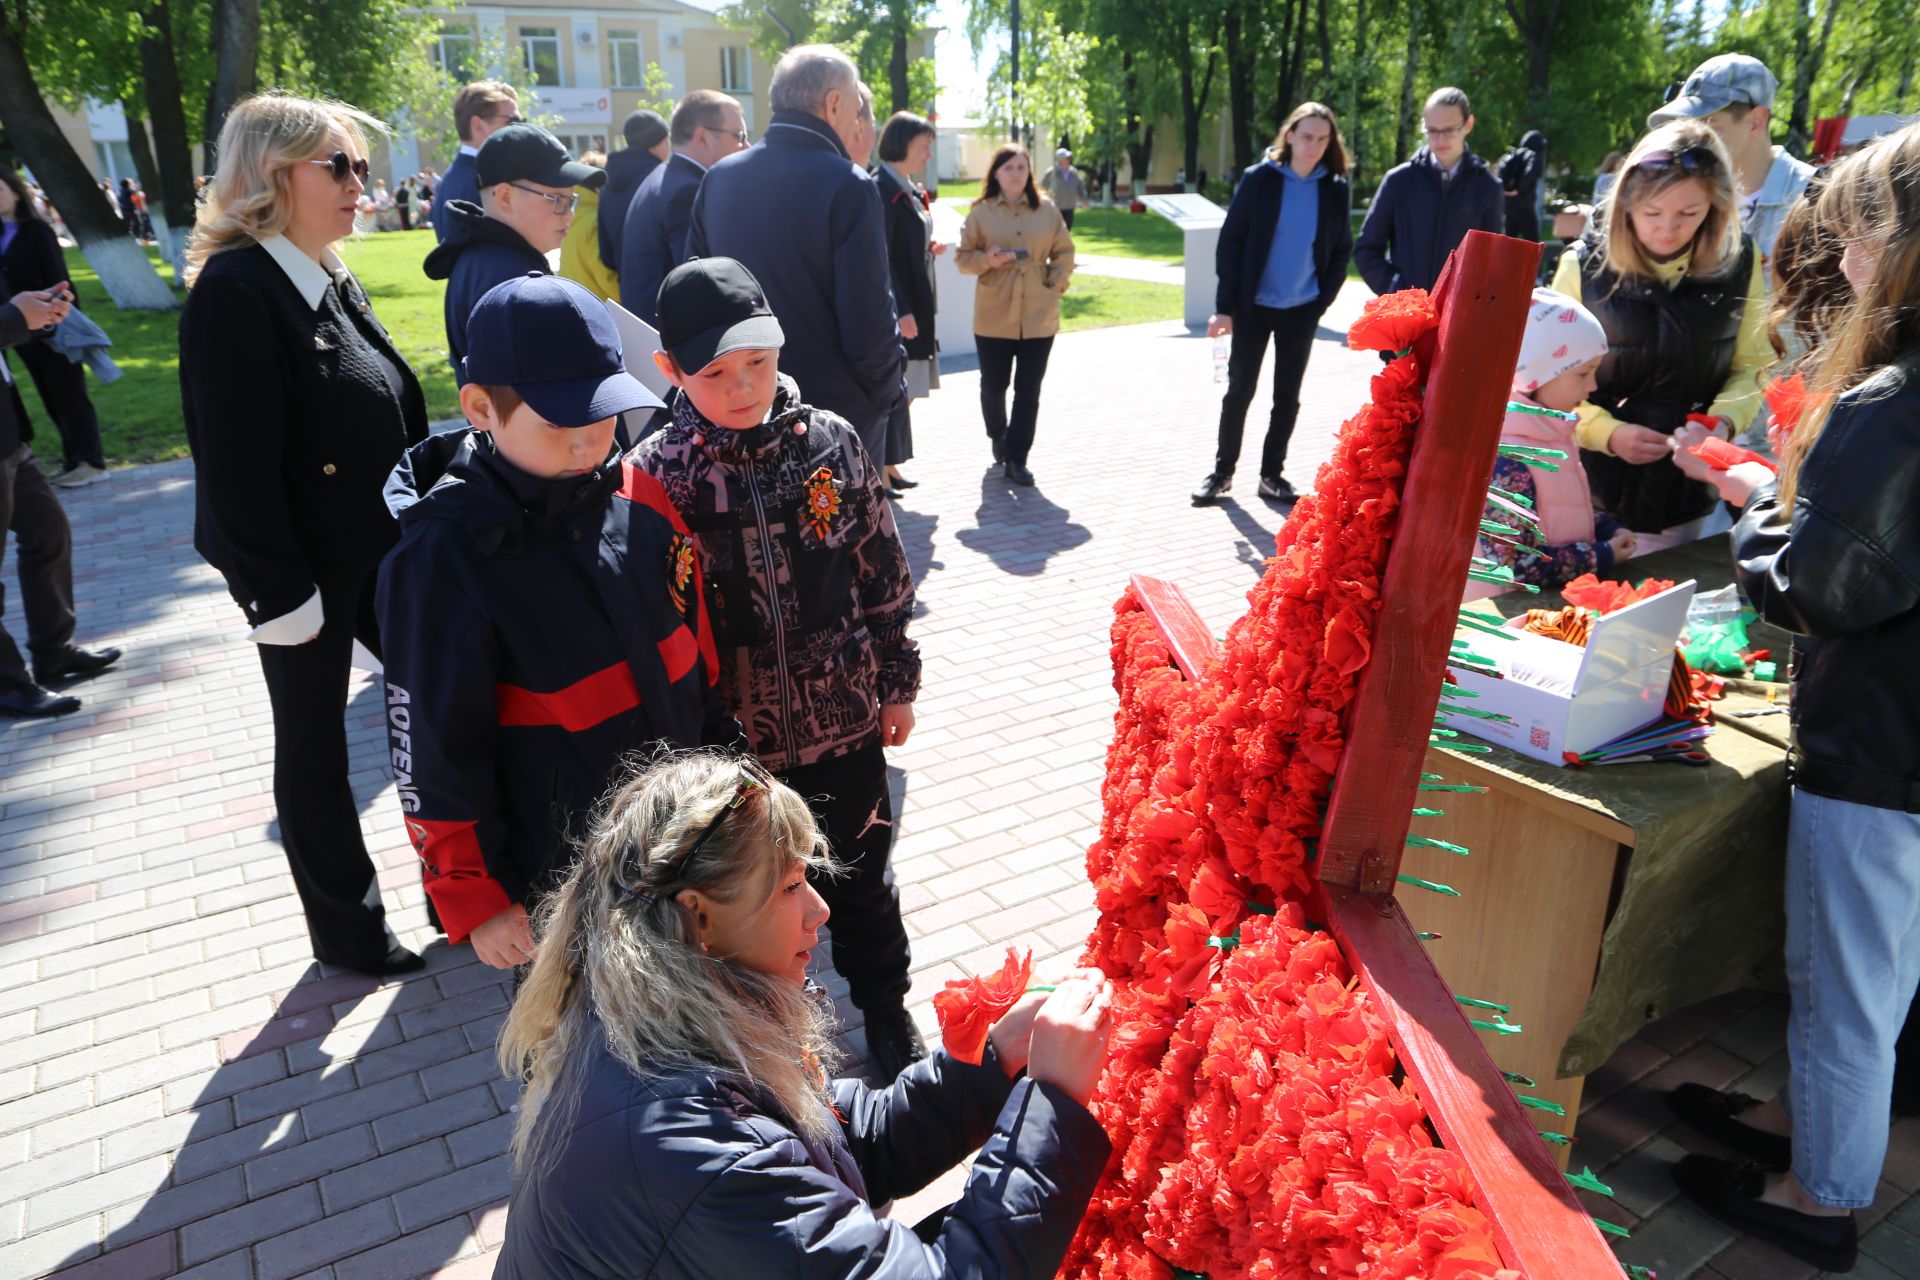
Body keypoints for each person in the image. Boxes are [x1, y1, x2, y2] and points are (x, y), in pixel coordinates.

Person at [491, 750, 1115, 1279]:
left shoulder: (657, 1018)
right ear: (698, 916)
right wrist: (1052, 1103)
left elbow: (836, 1141)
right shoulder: (694, 1144)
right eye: (790, 887)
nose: (819, 910)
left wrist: (990, 1067)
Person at [1668, 122, 1920, 1275]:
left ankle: (1821, 1194)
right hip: (1898, 737)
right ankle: (1817, 1126)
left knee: (1846, 986)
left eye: (1866, 229)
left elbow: (1820, 585)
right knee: (1858, 978)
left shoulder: (1895, 397)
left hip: (1884, 744)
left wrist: (1764, 498)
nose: (1849, 252)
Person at [375, 273, 742, 969]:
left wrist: (728, 758)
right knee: (587, 1056)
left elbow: (695, 644)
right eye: (559, 425)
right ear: (481, 408)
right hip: (565, 878)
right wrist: (475, 895)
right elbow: (431, 743)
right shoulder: (441, 559)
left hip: (684, 834)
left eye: (603, 417)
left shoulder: (637, 489)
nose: (589, 445)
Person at [632, 257, 927, 1079]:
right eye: (717, 373)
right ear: (672, 370)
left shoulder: (831, 444)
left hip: (844, 721)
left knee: (863, 879)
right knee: (747, 908)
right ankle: (762, 1042)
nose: (742, 387)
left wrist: (895, 682)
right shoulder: (658, 474)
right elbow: (657, 620)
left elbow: (881, 570)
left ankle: (885, 1008)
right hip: (734, 751)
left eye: (757, 362)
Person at [180, 93, 430, 977]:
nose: (360, 184)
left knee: (438, 710)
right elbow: (234, 469)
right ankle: (350, 931)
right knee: (317, 748)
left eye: (361, 166)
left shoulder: (320, 270)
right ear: (272, 174)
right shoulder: (239, 294)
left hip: (379, 555)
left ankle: (462, 884)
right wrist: (279, 595)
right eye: (339, 166)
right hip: (306, 573)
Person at [1550, 119, 1769, 551]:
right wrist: (1606, 433)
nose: (1668, 229)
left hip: (1691, 505)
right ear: (1625, 205)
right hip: (1587, 498)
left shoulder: (1741, 262)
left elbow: (1754, 365)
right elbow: (1541, 383)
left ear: (1716, 209)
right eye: (1652, 213)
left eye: (1689, 214)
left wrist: (1721, 424)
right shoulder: (1582, 265)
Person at [687, 44, 905, 468]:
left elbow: (694, 300)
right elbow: (869, 321)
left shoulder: (718, 180)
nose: (859, 120)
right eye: (858, 107)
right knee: (843, 535)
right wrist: (886, 396)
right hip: (836, 421)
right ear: (834, 103)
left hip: (743, 412)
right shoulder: (849, 185)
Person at [1194, 102, 1354, 507]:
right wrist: (1224, 306)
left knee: (1287, 397)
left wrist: (1322, 301)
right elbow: (1231, 244)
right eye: (1306, 136)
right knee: (1239, 391)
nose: (1313, 146)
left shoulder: (1334, 188)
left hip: (1302, 309)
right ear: (1290, 135)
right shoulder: (1259, 180)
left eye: (1322, 139)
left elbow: (1340, 251)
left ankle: (1271, 476)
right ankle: (1222, 473)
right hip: (1252, 307)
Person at [0, 268, 120, 718]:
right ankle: (8, 685)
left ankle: (54, 651)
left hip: (10, 436)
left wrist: (36, 314)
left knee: (49, 533)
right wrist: (13, 316)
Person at [1469, 289, 1634, 596]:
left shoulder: (1553, 432)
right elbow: (1509, 565)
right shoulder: (1509, 455)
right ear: (1536, 376)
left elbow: (1557, 508)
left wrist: (1604, 528)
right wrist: (1599, 556)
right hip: (1512, 617)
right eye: (1584, 373)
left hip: (1549, 604)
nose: (1593, 386)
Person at [423, 123, 604, 387]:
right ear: (505, 197)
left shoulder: (478, 257)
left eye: (571, 199)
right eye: (556, 199)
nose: (570, 213)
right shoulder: (514, 283)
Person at [955, 144, 1075, 488]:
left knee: (1028, 389)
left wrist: (1055, 282)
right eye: (1008, 168)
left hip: (1039, 313)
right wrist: (986, 260)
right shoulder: (981, 213)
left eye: (1022, 167)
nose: (1016, 174)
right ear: (995, 173)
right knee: (994, 385)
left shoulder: (1047, 210)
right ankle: (998, 434)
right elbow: (963, 259)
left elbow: (1064, 251)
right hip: (994, 314)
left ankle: (1018, 458)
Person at [1649, 52, 1814, 268]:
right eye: (1686, 125)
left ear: (1756, 121)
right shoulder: (1683, 197)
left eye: (1708, 123)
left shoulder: (1815, 197)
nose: (1693, 138)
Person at [0, 170, 109, 487]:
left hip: (53, 326)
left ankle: (92, 461)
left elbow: (60, 280)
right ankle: (72, 459)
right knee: (50, 396)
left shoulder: (37, 232)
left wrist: (56, 318)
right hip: (20, 330)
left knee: (70, 394)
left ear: (17, 193)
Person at [1353, 86, 1504, 296]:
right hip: (1405, 315)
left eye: (1449, 130)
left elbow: (1490, 261)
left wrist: (1468, 300)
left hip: (1458, 317)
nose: (1440, 140)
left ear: (1468, 124)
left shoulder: (1488, 187)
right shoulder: (1398, 180)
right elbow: (1366, 249)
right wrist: (1397, 293)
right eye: (1432, 131)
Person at [618, 90, 748, 326]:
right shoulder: (687, 190)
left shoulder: (663, 176)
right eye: (739, 135)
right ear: (704, 137)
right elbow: (698, 284)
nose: (746, 146)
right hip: (672, 343)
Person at [875, 111, 943, 496]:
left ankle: (889, 464)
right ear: (902, 145)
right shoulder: (882, 188)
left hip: (917, 298)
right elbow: (880, 255)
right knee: (901, 386)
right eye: (924, 146)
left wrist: (927, 248)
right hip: (904, 306)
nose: (929, 154)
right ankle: (881, 469)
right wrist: (899, 309)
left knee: (909, 386)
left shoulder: (905, 185)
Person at [429, 81, 521, 243]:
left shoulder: (457, 176)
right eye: (510, 122)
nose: (519, 130)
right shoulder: (483, 181)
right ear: (478, 125)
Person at [597, 109, 671, 278]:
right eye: (668, 138)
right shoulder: (661, 180)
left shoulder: (607, 182)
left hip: (627, 288)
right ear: (658, 142)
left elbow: (606, 255)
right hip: (662, 288)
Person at [557, 150, 620, 302]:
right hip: (596, 308)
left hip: (573, 302)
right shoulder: (594, 222)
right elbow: (607, 278)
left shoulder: (572, 217)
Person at [1499, 130, 1547, 242]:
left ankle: (1509, 260)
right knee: (1532, 242)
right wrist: (1519, 190)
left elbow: (1500, 170)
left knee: (1509, 241)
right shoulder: (1533, 156)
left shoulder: (1512, 154)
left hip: (1508, 204)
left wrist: (1504, 190)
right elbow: (1530, 172)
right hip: (1524, 205)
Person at [1039, 147, 1088, 230]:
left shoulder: (1073, 172)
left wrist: (1084, 200)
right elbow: (1042, 188)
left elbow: (1080, 187)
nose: (1069, 160)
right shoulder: (1051, 172)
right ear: (1060, 160)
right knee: (1057, 231)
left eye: (1069, 158)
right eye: (1066, 158)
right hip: (1057, 207)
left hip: (1070, 207)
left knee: (1068, 229)